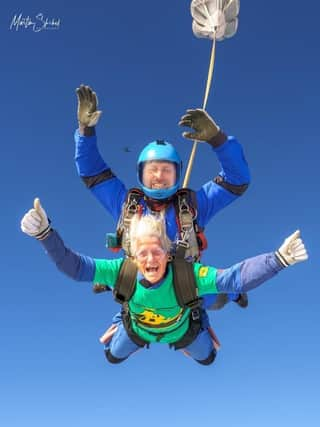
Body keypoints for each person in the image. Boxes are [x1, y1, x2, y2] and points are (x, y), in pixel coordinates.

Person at [21, 198, 308, 366]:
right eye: (142, 252)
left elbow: (233, 277)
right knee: (112, 356)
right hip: (138, 330)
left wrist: (278, 259)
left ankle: (212, 312)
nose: (149, 259)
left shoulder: (185, 274)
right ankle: (123, 321)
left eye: (156, 251)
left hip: (183, 331)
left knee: (208, 358)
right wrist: (45, 234)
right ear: (132, 255)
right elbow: (75, 267)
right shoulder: (123, 270)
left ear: (168, 254)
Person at [74, 85, 251, 309]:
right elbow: (91, 172)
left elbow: (237, 180)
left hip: (186, 283)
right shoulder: (127, 204)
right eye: (151, 170)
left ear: (177, 173)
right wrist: (85, 131)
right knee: (126, 290)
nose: (158, 176)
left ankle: (234, 293)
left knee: (216, 298)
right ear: (140, 174)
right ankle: (111, 282)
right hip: (143, 279)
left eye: (166, 170)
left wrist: (218, 139)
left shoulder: (193, 205)